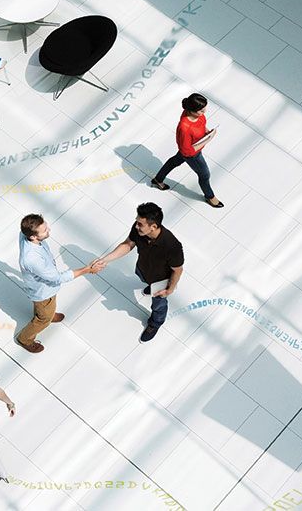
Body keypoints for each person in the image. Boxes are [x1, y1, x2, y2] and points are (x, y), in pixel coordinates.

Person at [92, 202, 184, 342]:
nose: (136, 226)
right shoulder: (139, 230)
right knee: (143, 279)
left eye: (140, 224)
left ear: (153, 227)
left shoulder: (172, 246)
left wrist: (169, 290)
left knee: (158, 304)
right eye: (137, 222)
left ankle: (155, 323)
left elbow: (177, 270)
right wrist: (106, 260)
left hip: (160, 282)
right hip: (143, 269)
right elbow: (128, 244)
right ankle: (148, 285)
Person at [16, 214, 97, 353]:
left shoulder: (25, 235)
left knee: (47, 307)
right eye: (45, 230)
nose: (49, 230)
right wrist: (87, 269)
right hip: (43, 292)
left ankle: (47, 313)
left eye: (46, 226)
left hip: (43, 288)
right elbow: (57, 278)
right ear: (33, 237)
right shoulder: (32, 259)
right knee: (43, 318)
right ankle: (25, 338)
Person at [151, 93, 224, 208]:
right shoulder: (185, 128)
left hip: (189, 148)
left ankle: (158, 179)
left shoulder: (193, 114)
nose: (204, 113)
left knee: (174, 161)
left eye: (204, 110)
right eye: (201, 111)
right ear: (192, 111)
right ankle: (210, 197)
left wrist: (206, 131)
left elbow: (201, 124)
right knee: (204, 175)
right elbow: (187, 151)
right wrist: (208, 139)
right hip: (193, 155)